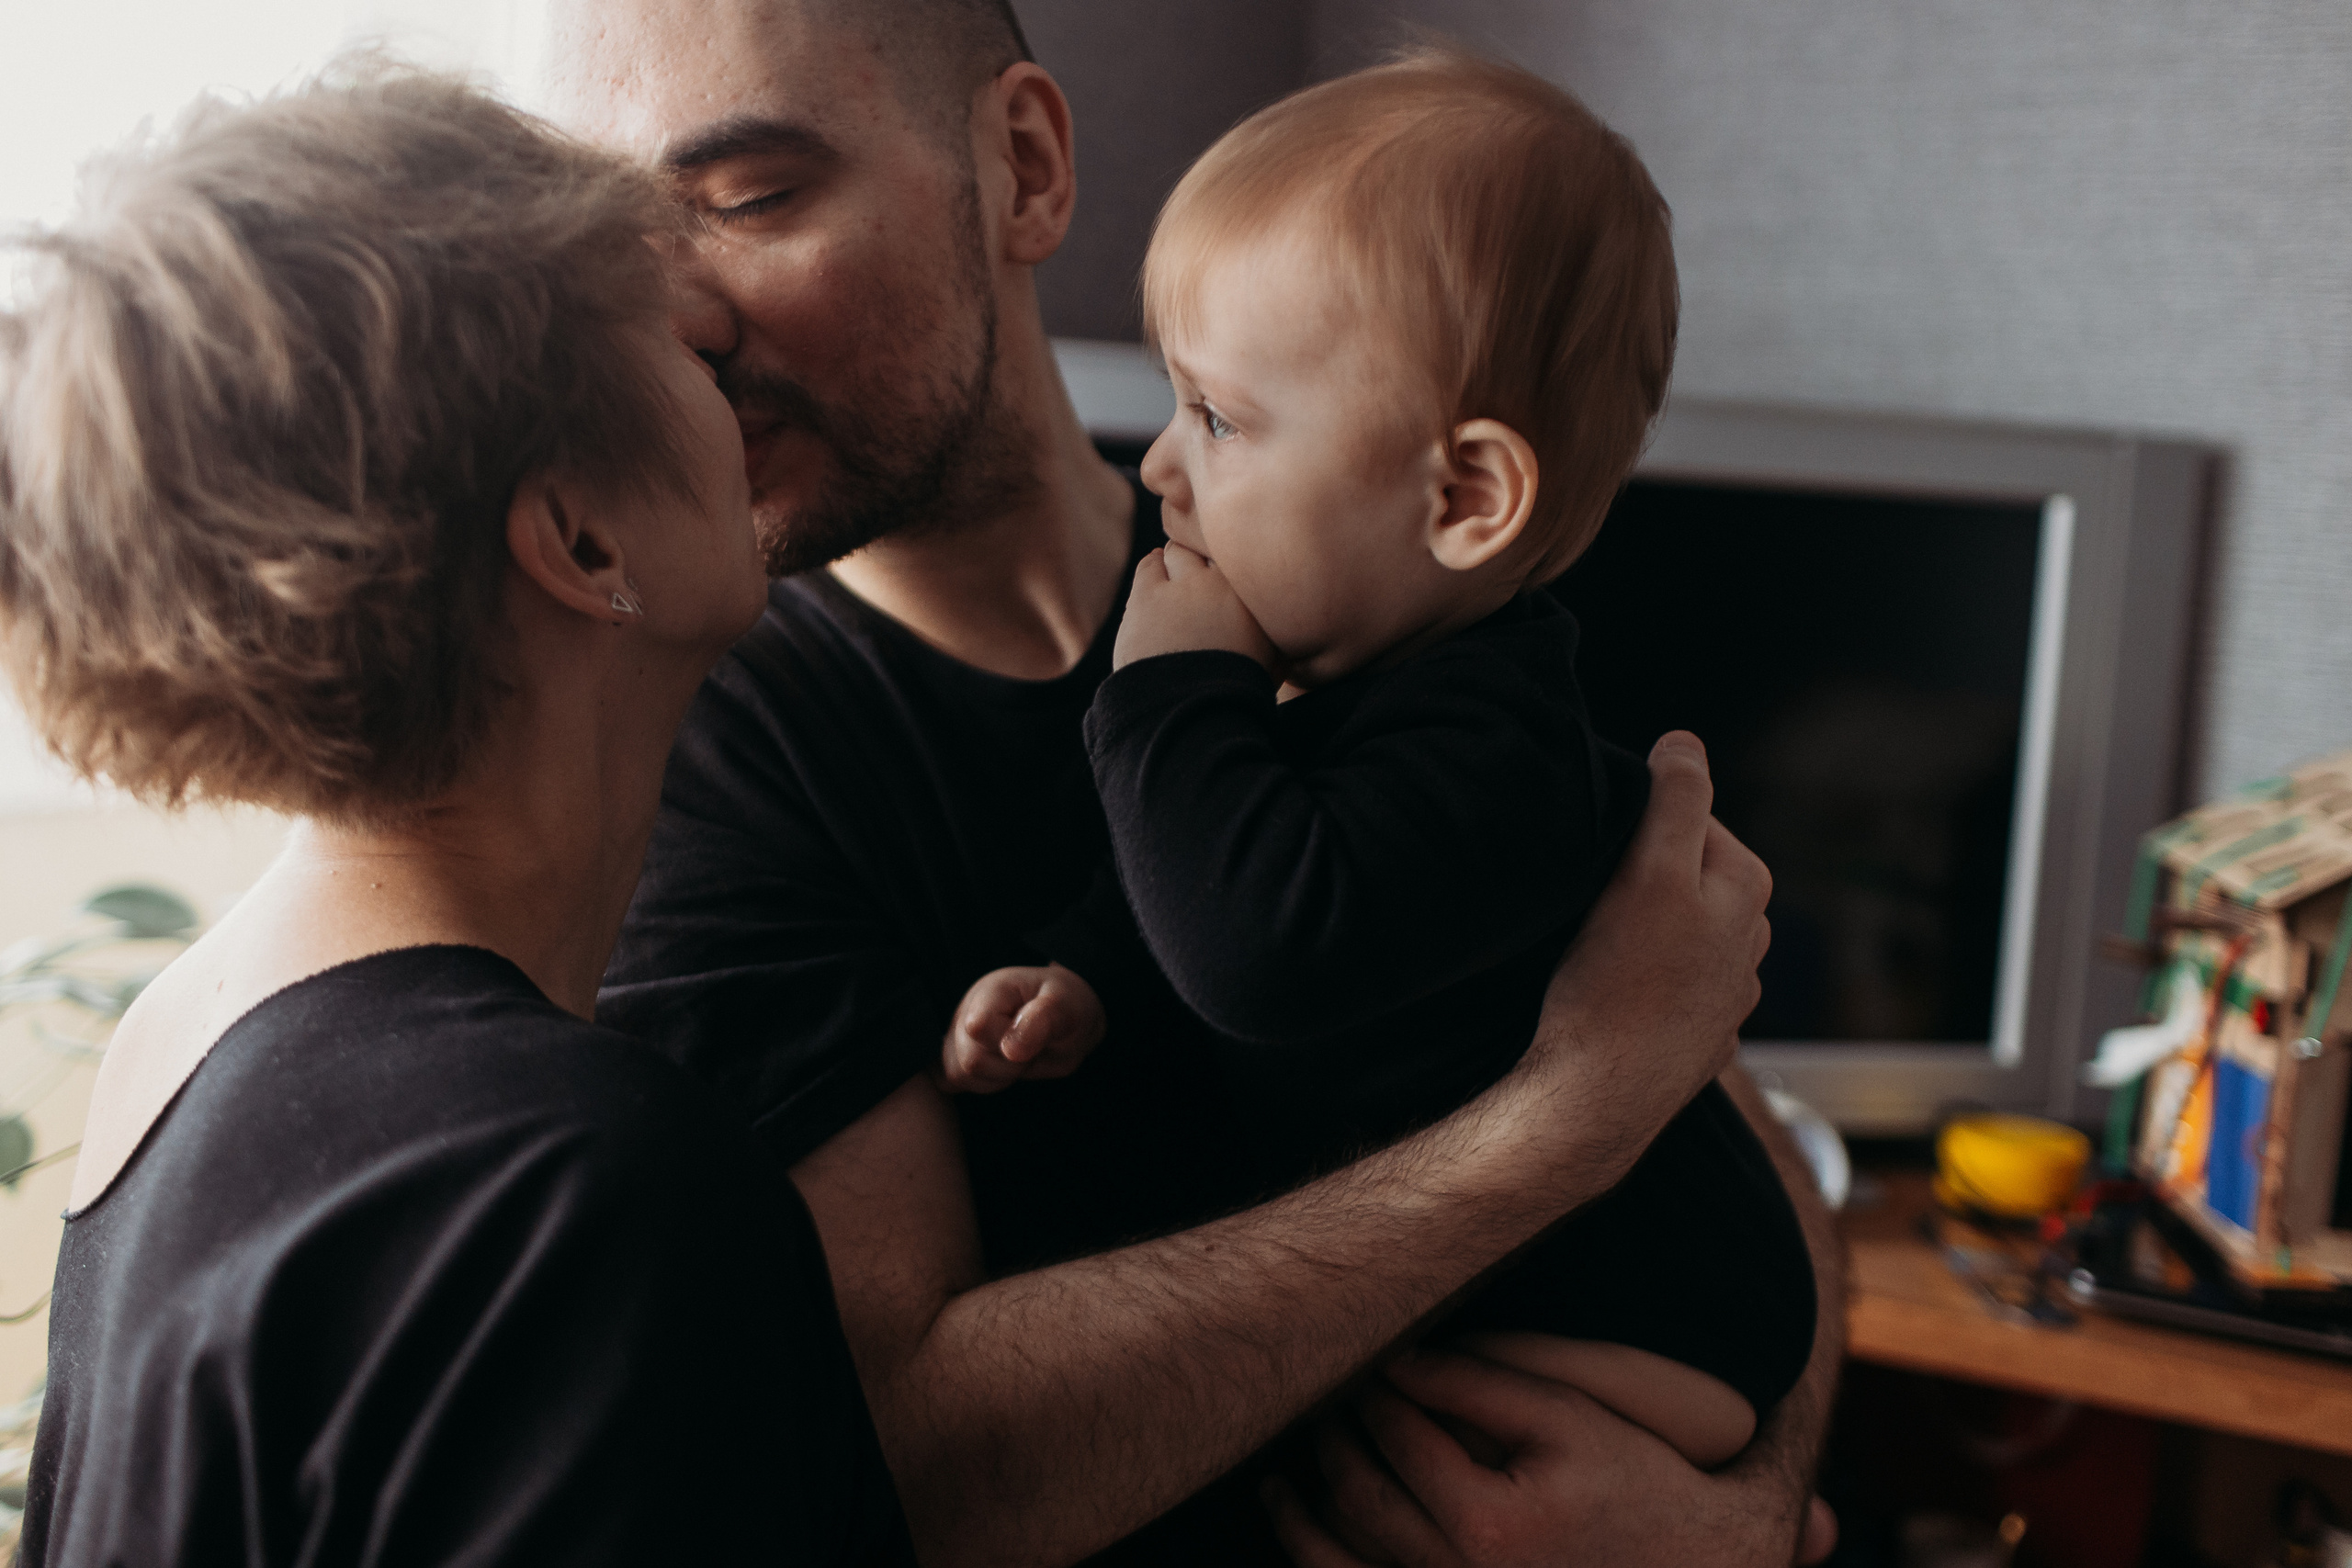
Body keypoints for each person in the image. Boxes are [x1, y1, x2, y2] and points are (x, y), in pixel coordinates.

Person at [562, 1, 1844, 1562]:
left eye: (752, 198)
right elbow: (904, 1476)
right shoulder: (704, 757)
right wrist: (1562, 1122)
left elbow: (1707, 1082)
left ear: (1023, 165)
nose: (674, 318)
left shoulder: (1344, 589)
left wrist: (1756, 1522)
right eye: (619, 244)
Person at [0, 69, 914, 1565]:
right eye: (672, 340)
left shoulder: (180, 1039)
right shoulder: (570, 1188)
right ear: (577, 535)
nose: (723, 351)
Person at [939, 45, 1815, 1473]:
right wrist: (1087, 979)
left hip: (1657, 1321)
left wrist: (1167, 693)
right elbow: (1189, 890)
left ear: (1464, 497)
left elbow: (1265, 949)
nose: (1159, 467)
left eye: (1218, 418)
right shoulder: (1344, 687)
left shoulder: (1498, 748)